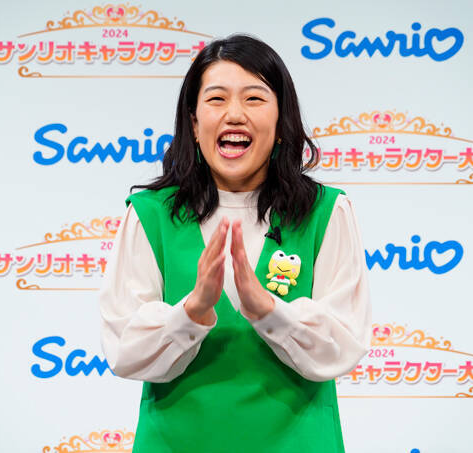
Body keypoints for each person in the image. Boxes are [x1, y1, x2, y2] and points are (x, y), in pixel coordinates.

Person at [99, 34, 372, 453]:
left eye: (254, 99)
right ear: (194, 123)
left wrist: (268, 310)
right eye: (216, 99)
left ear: (281, 124)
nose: (234, 115)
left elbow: (344, 344)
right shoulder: (150, 214)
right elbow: (124, 349)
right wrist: (192, 311)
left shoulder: (325, 211)